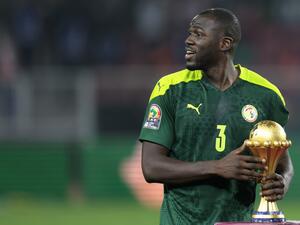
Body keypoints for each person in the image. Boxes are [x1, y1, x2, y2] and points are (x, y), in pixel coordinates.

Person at [139, 8, 294, 225]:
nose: (188, 41)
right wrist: (217, 167)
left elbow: (283, 163)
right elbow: (151, 167)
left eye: (198, 34)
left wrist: (282, 182)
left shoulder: (266, 95)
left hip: (238, 222)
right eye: (189, 33)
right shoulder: (169, 89)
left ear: (225, 43)